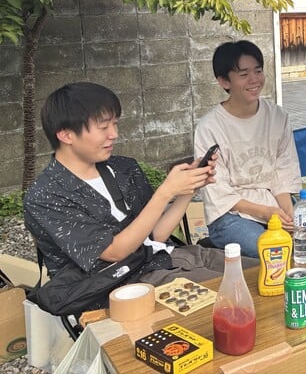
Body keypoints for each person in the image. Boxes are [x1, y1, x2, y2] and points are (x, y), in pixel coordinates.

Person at [23, 82, 242, 288]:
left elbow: (155, 235)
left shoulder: (124, 168)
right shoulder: (45, 197)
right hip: (118, 286)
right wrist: (165, 192)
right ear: (66, 135)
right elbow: (114, 252)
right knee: (236, 290)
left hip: (168, 259)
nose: (114, 134)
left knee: (255, 271)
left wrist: (189, 188)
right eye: (103, 127)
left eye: (115, 124)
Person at [194, 40, 302, 258]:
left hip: (274, 206)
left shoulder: (277, 117)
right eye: (244, 74)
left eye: (258, 71)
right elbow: (219, 192)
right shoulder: (209, 127)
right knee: (274, 252)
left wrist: (288, 214)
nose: (254, 80)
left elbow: (283, 173)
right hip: (231, 215)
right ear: (224, 81)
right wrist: (266, 213)